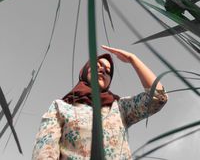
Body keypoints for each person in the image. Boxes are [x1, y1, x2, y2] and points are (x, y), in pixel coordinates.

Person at [32, 45, 168, 160]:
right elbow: (44, 149)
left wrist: (133, 59)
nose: (102, 69)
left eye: (108, 71)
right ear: (85, 71)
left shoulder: (120, 107)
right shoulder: (61, 107)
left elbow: (158, 97)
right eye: (97, 65)